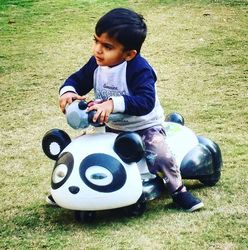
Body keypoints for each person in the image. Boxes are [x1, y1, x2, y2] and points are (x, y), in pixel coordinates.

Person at [47, 7, 204, 212]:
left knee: (161, 154)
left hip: (144, 127)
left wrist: (112, 103)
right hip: (110, 127)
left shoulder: (140, 69)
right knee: (80, 147)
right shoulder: (97, 64)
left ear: (129, 54)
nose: (98, 50)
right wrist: (67, 92)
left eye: (107, 46)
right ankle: (69, 189)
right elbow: (77, 79)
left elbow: (145, 101)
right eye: (95, 41)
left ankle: (178, 191)